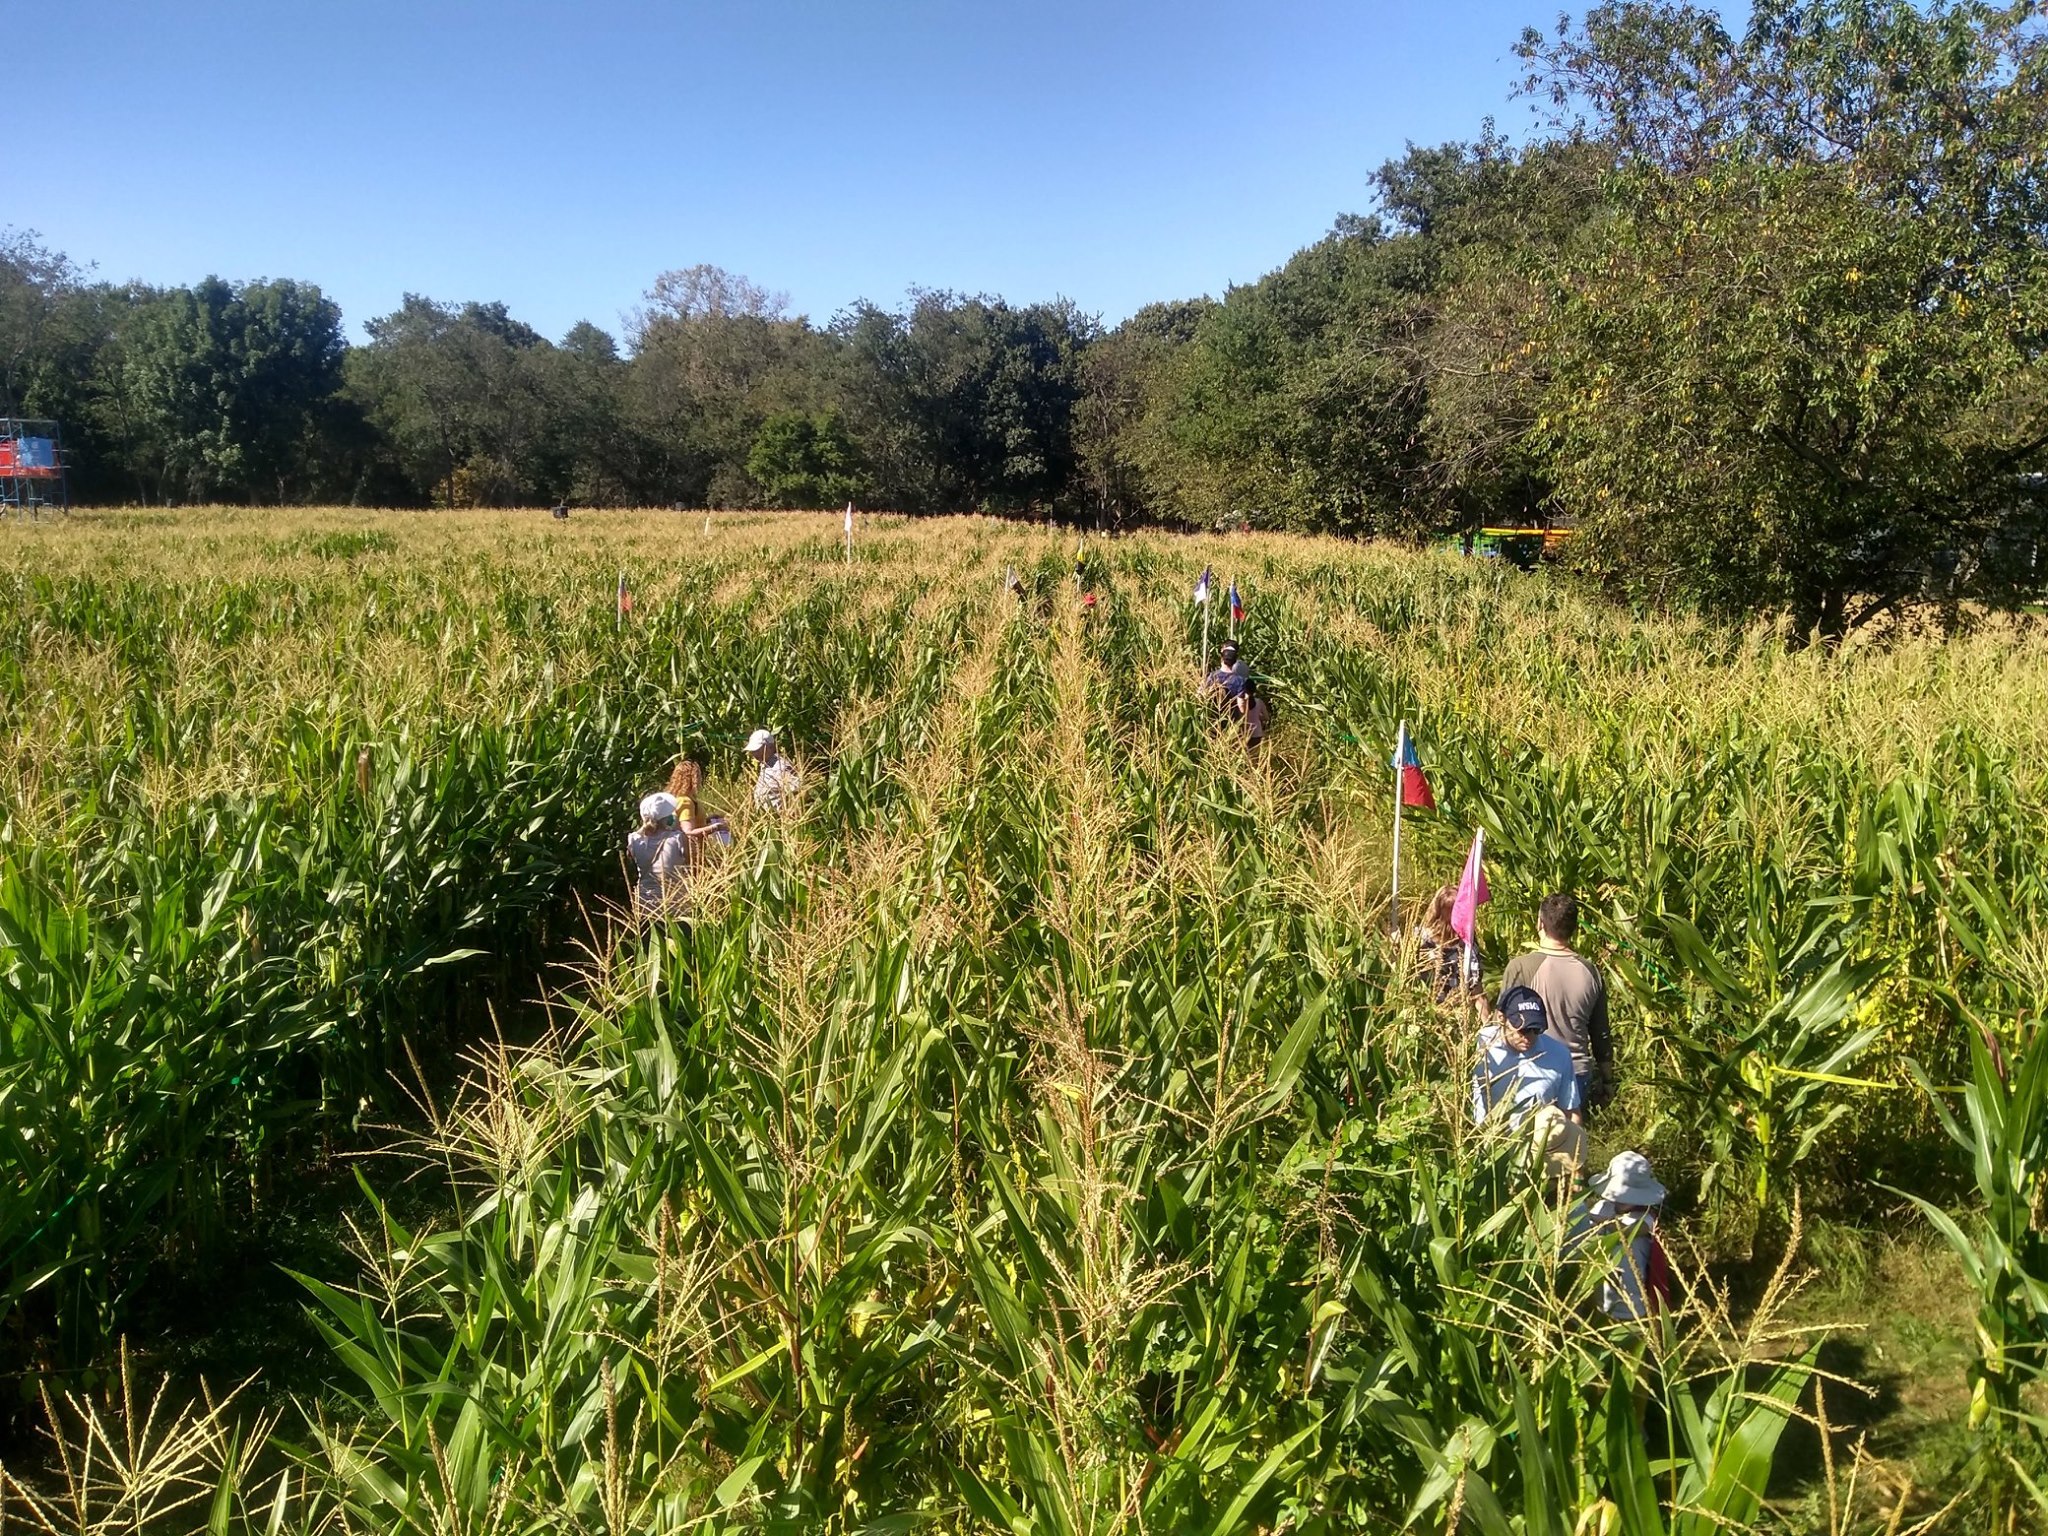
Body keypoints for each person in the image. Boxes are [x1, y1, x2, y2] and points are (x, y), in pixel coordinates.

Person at [1499, 893, 1614, 1118]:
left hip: (1534, 1071)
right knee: (1566, 1145)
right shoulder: (1590, 972)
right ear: (1574, 929)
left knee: (1531, 1146)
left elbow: (1502, 1023)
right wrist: (1608, 1079)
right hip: (1577, 1072)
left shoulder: (1521, 968)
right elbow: (1601, 1033)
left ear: (1540, 923)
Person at [1568, 1150, 1670, 1323]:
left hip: (1631, 1298)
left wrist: (1591, 1217)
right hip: (1603, 1288)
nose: (1622, 1199)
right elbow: (1588, 1233)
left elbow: (1626, 1231)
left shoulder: (1646, 1218)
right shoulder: (1604, 1206)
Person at [1471, 985, 1581, 1127]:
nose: (1529, 1037)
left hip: (1537, 1145)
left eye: (1536, 1029)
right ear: (1501, 1018)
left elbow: (1571, 1113)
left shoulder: (1559, 1055)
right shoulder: (1479, 1044)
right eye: (1522, 1030)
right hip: (1487, 1142)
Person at [1414, 884, 1482, 1003]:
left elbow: (1476, 989)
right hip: (1428, 1008)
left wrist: (1487, 1021)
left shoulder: (1467, 939)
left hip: (1460, 1009)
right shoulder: (1422, 940)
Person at [665, 757, 732, 873]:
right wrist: (717, 827)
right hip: (691, 858)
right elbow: (688, 832)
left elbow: (688, 821)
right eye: (699, 775)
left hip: (693, 856)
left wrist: (709, 819)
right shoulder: (685, 801)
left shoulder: (681, 799)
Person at [626, 791, 688, 915]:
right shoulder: (677, 837)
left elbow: (630, 857)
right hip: (675, 903)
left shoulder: (633, 839)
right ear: (666, 818)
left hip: (645, 903)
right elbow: (690, 862)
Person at [746, 728, 800, 811]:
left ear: (770, 747)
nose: (755, 754)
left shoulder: (780, 767)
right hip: (767, 819)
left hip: (779, 819)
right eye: (753, 751)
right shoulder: (765, 765)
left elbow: (797, 792)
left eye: (758, 750)